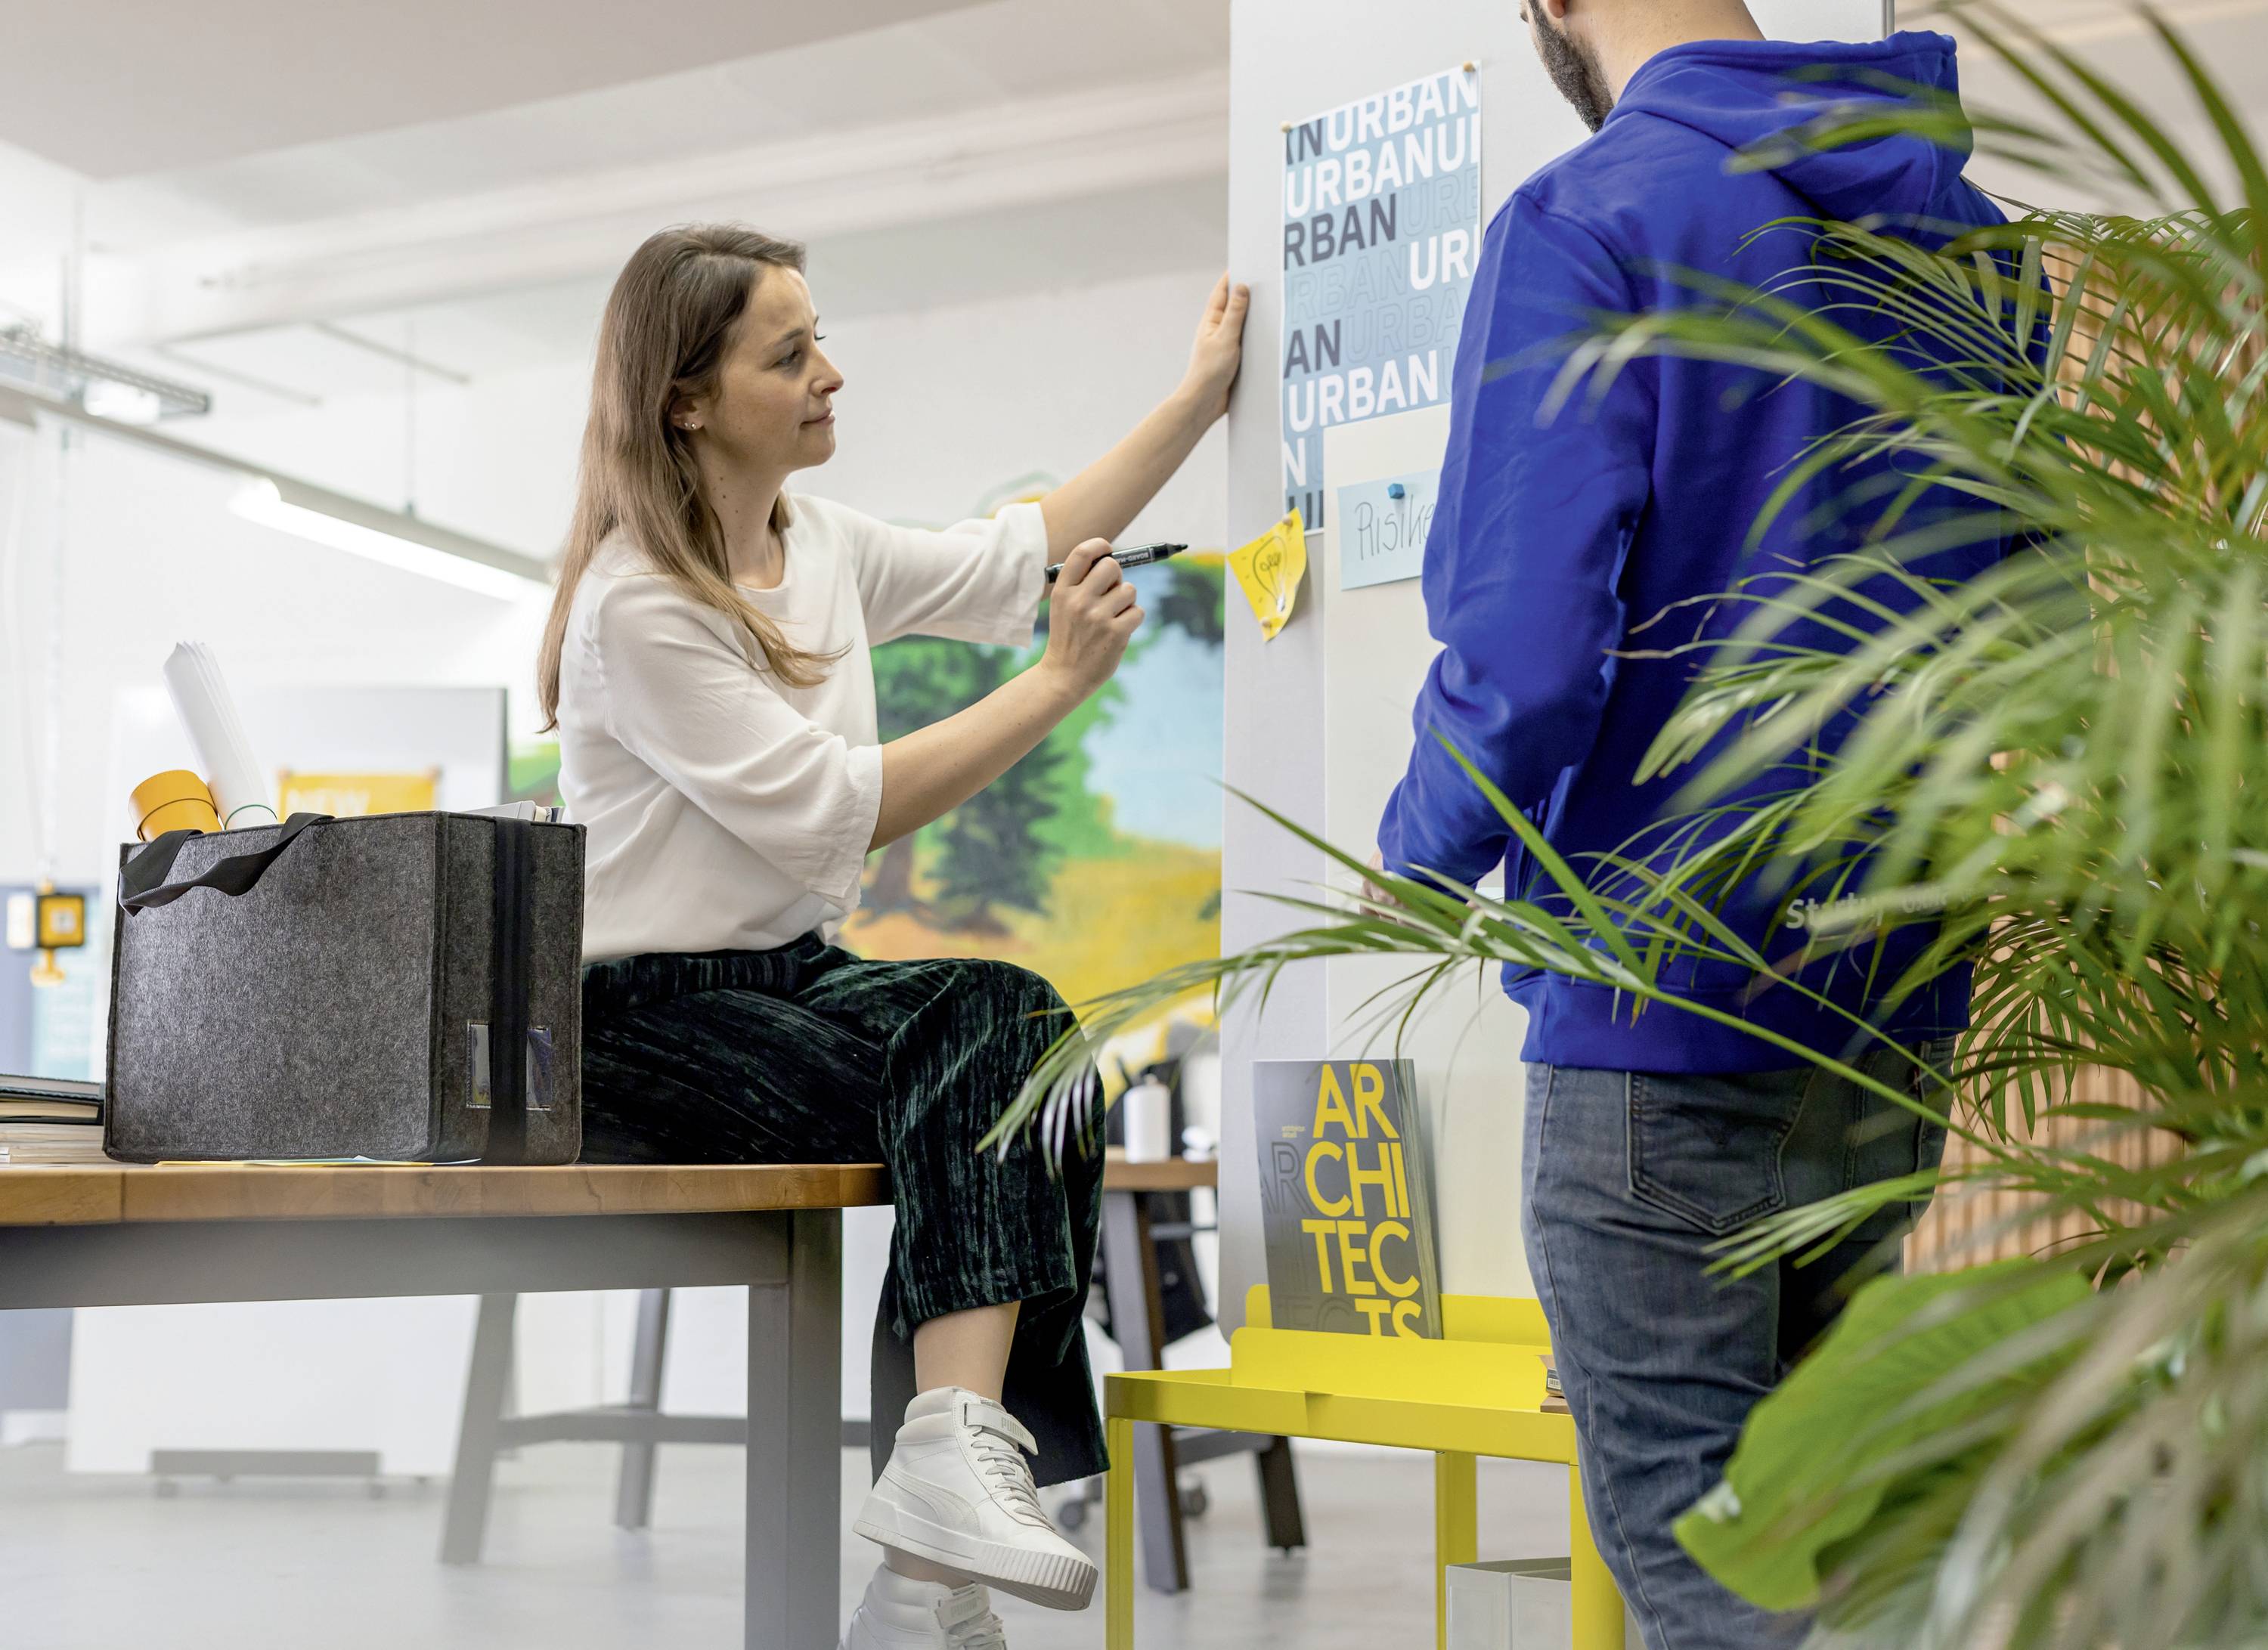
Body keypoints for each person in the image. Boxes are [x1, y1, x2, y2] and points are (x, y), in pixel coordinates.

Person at [1371, 7, 2013, 1648]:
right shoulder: (1965, 236)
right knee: (1855, 1578)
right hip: (1897, 1009)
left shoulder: (1594, 214)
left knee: (1718, 1599)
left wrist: (1416, 853)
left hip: (1664, 1009)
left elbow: (1521, 660)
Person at [539, 224, 1248, 1650]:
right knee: (988, 1040)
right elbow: (836, 813)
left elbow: (1025, 553)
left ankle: (944, 1483)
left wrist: (1197, 399)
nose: (829, 374)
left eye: (820, 340)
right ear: (688, 398)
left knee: (1026, 1037)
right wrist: (1058, 686)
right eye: (788, 353)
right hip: (636, 1020)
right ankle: (936, 1533)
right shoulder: (637, 608)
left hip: (790, 983)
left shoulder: (820, 546)